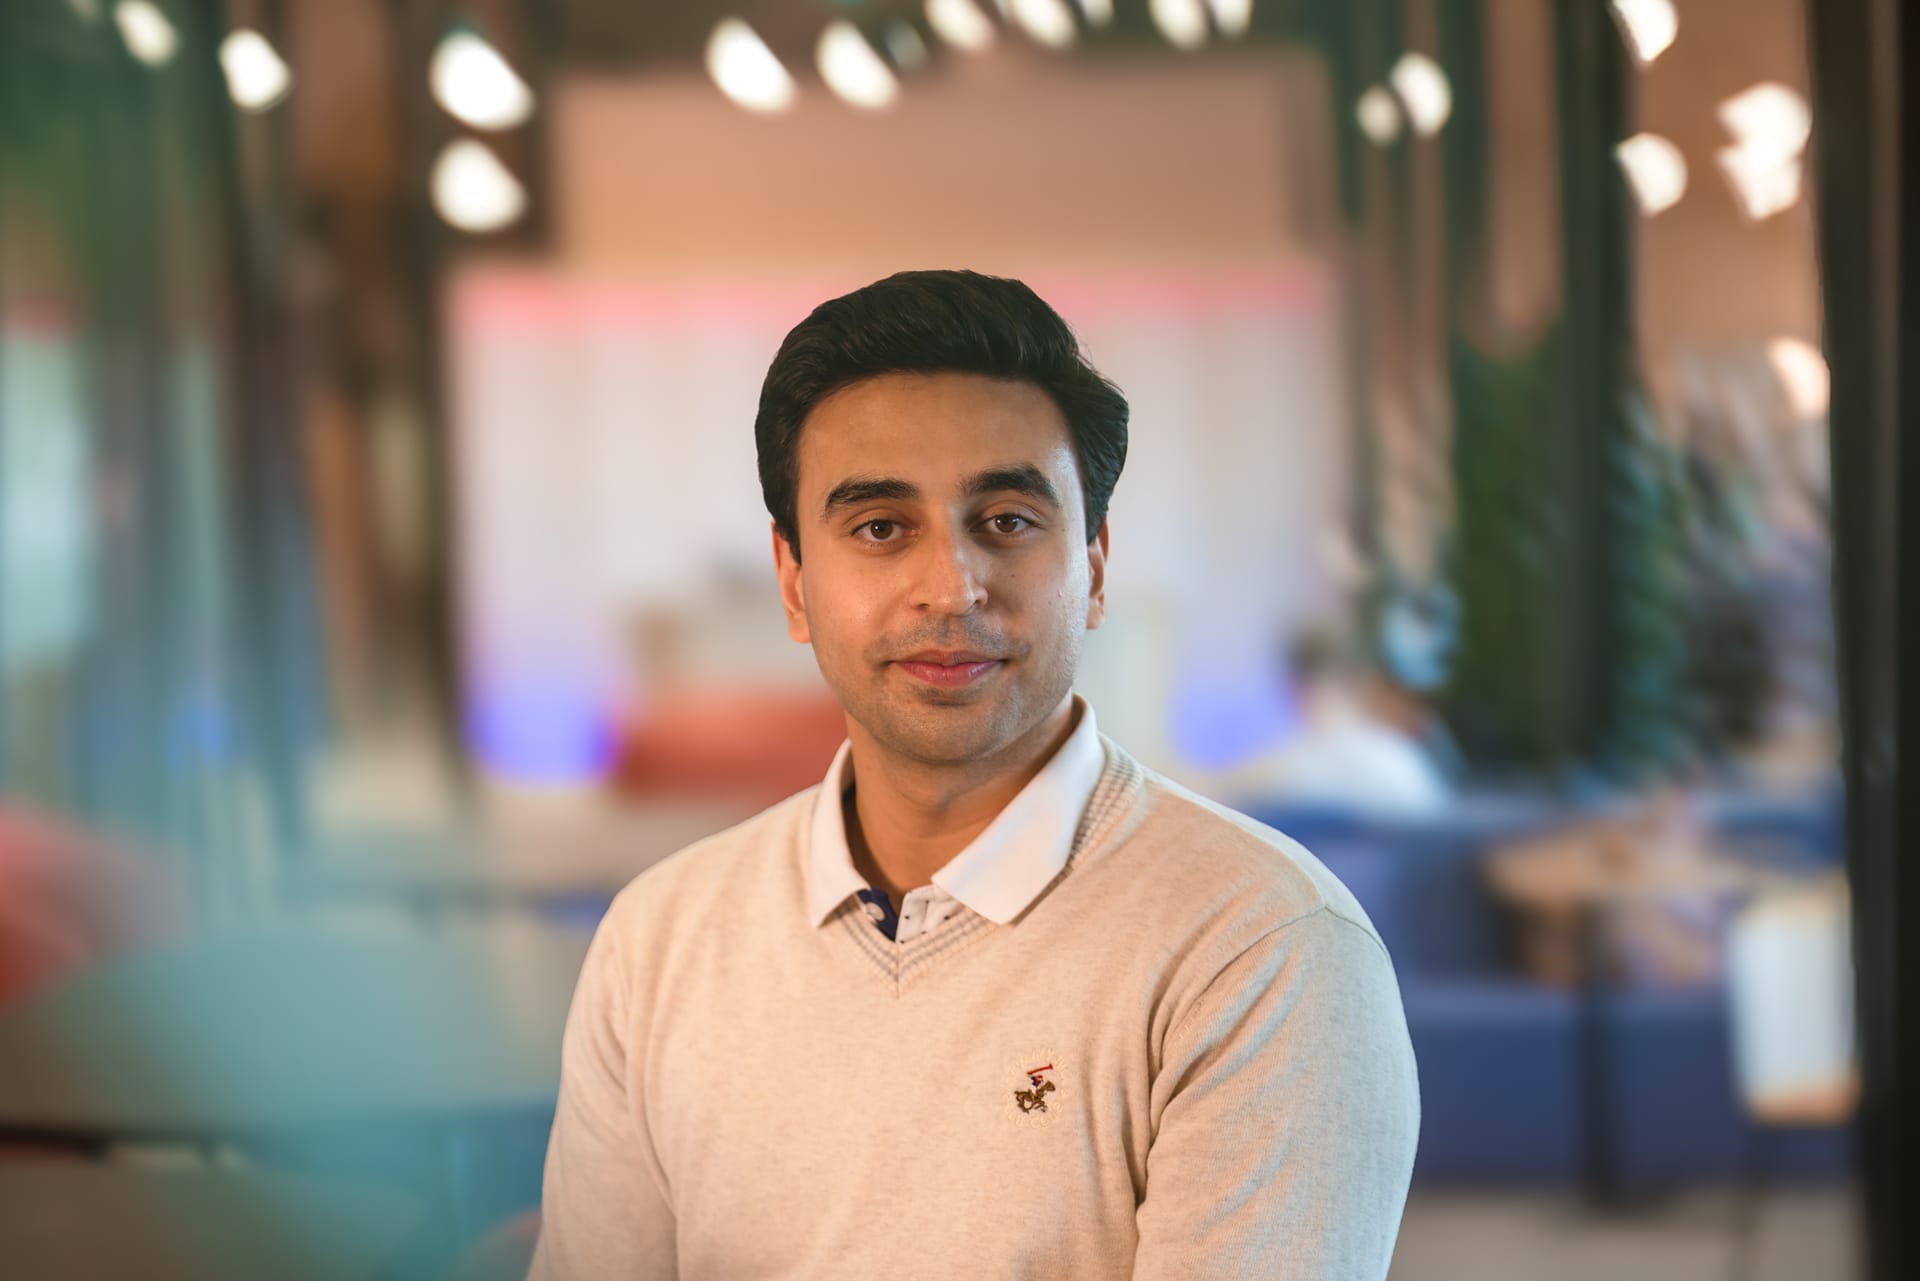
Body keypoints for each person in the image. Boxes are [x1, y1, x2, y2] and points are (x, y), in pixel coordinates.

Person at [530, 270, 1419, 1280]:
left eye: (1006, 520)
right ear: (794, 582)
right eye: (880, 527)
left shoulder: (1264, 948)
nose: (951, 589)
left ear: (1092, 567)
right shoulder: (658, 940)